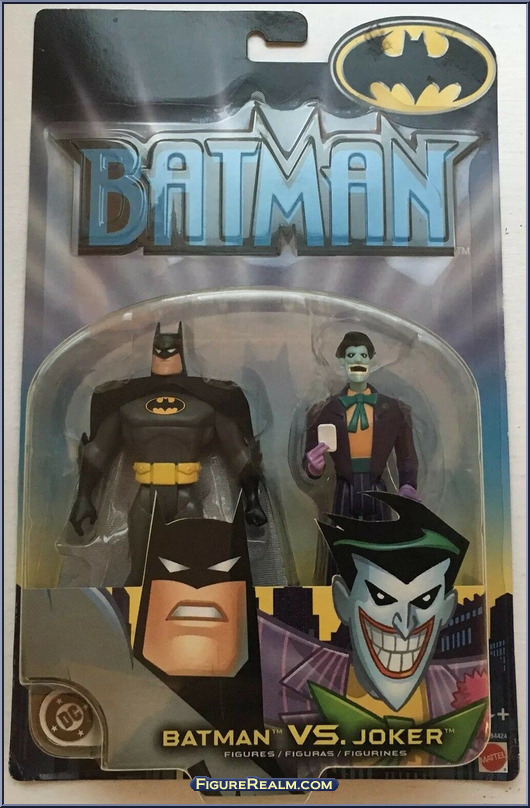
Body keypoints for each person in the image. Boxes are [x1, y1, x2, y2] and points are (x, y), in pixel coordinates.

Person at [68, 323, 266, 584]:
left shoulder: (205, 406)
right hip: (145, 498)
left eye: (171, 349)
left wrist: (252, 499)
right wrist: (84, 497)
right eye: (158, 349)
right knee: (140, 571)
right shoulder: (128, 407)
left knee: (190, 569)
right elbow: (97, 452)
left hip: (186, 498)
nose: (164, 354)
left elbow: (238, 453)